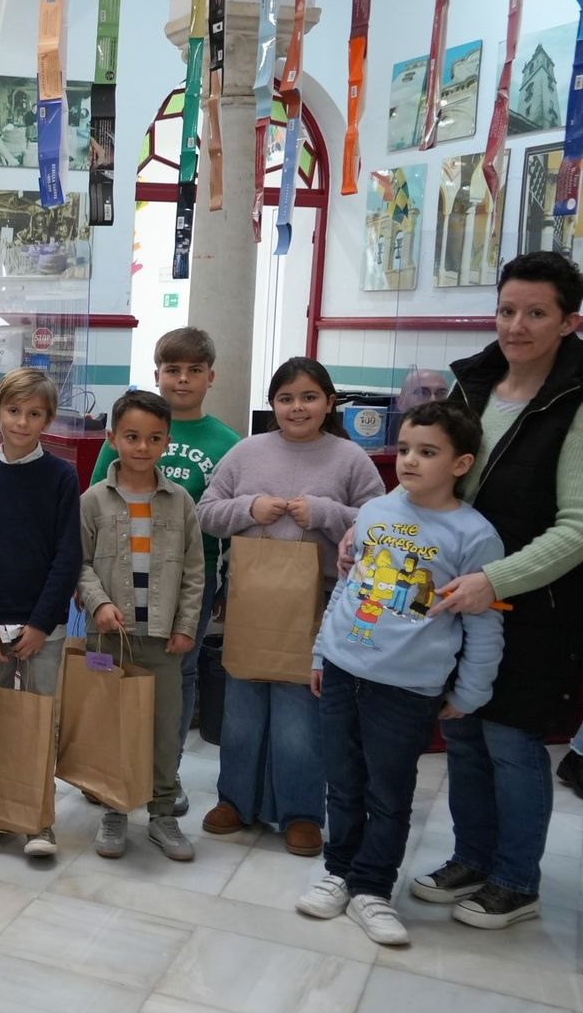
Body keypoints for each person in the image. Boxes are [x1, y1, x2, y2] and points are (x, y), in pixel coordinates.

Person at [406, 251, 583, 930]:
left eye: (536, 313)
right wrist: (378, 528)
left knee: (512, 740)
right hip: (458, 597)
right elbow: (426, 470)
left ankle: (516, 878)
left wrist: (494, 579)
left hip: (536, 606)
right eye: (507, 309)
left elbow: (577, 527)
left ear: (568, 321)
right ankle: (472, 858)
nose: (516, 325)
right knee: (467, 733)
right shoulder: (471, 383)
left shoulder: (574, 399)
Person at [298, 401, 505, 946]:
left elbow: (483, 624)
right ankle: (338, 871)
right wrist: (322, 653)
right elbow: (348, 587)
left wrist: (472, 689)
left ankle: (372, 887)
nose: (409, 461)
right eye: (406, 449)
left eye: (428, 452)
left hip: (407, 687)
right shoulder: (375, 511)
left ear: (461, 464)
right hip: (344, 668)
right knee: (342, 782)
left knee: (389, 793)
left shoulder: (474, 535)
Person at [197, 358, 385, 856]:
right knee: (242, 708)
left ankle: (301, 813)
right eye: (285, 398)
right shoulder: (246, 452)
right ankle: (234, 800)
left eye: (308, 397)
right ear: (273, 404)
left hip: (317, 603)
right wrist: (248, 509)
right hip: (250, 597)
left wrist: (326, 514)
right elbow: (206, 512)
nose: (297, 408)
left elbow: (380, 525)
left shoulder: (350, 459)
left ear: (328, 403)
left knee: (300, 714)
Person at [89, 327, 240, 815]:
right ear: (157, 374)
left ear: (210, 377)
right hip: (118, 583)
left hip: (188, 585)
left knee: (181, 677)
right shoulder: (127, 429)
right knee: (116, 680)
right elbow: (94, 511)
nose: (182, 379)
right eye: (172, 369)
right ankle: (114, 776)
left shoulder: (227, 443)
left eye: (194, 370)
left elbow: (219, 526)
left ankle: (164, 777)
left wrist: (219, 584)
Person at [0, 368, 80, 854]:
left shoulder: (60, 477)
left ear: (48, 418)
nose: (22, 422)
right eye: (14, 411)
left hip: (40, 627)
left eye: (34, 414)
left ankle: (36, 818)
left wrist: (42, 623)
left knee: (37, 718)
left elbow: (67, 556)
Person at [78, 391, 204, 862]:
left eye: (154, 438)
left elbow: (194, 571)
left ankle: (162, 814)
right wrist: (99, 603)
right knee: (113, 726)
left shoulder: (180, 502)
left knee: (163, 728)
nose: (142, 447)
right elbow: (80, 563)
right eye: (131, 437)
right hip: (111, 637)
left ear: (167, 443)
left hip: (163, 639)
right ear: (112, 439)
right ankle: (114, 808)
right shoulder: (93, 501)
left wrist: (186, 625)